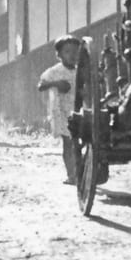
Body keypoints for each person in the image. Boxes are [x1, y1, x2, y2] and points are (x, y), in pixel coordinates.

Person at [38, 35, 86, 184]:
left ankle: (81, 172)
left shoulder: (80, 71)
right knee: (68, 142)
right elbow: (41, 86)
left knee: (80, 142)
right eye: (67, 52)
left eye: (75, 52)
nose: (72, 55)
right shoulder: (54, 71)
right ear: (59, 55)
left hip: (78, 110)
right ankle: (71, 175)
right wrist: (57, 83)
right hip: (61, 111)